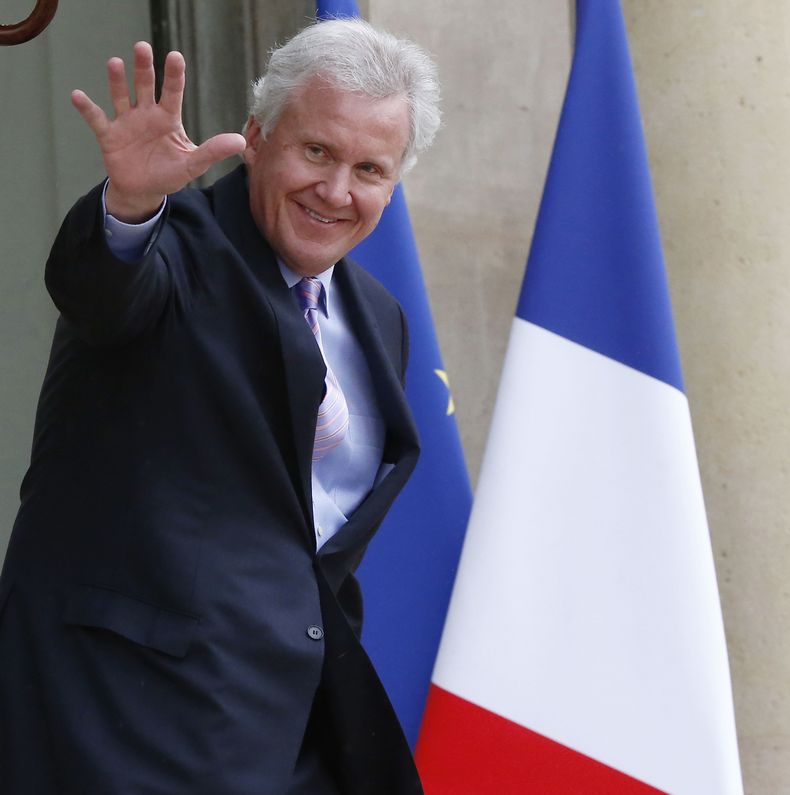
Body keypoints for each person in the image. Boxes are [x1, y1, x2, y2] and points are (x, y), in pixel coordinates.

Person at [0, 17, 440, 795]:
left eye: (369, 169)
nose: (337, 191)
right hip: (123, 725)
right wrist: (129, 207)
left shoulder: (380, 316)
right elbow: (104, 290)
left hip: (290, 731)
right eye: (316, 151)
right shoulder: (177, 247)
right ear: (257, 134)